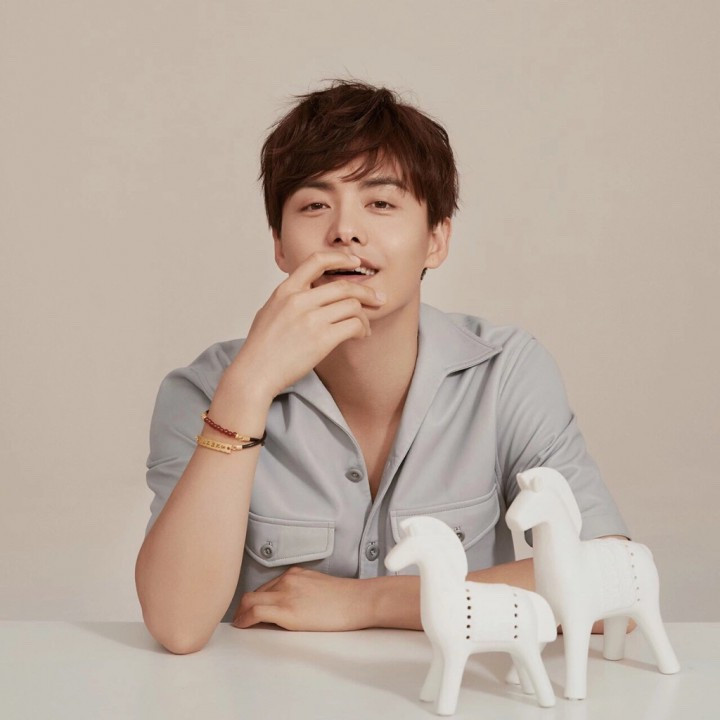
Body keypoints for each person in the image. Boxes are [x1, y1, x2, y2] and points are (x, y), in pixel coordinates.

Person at [135, 80, 629, 655]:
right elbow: (177, 625)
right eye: (314, 205)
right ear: (279, 245)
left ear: (436, 239)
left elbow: (611, 582)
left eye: (381, 203)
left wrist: (368, 602)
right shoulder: (204, 391)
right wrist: (247, 389)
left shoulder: (505, 374)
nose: (345, 230)